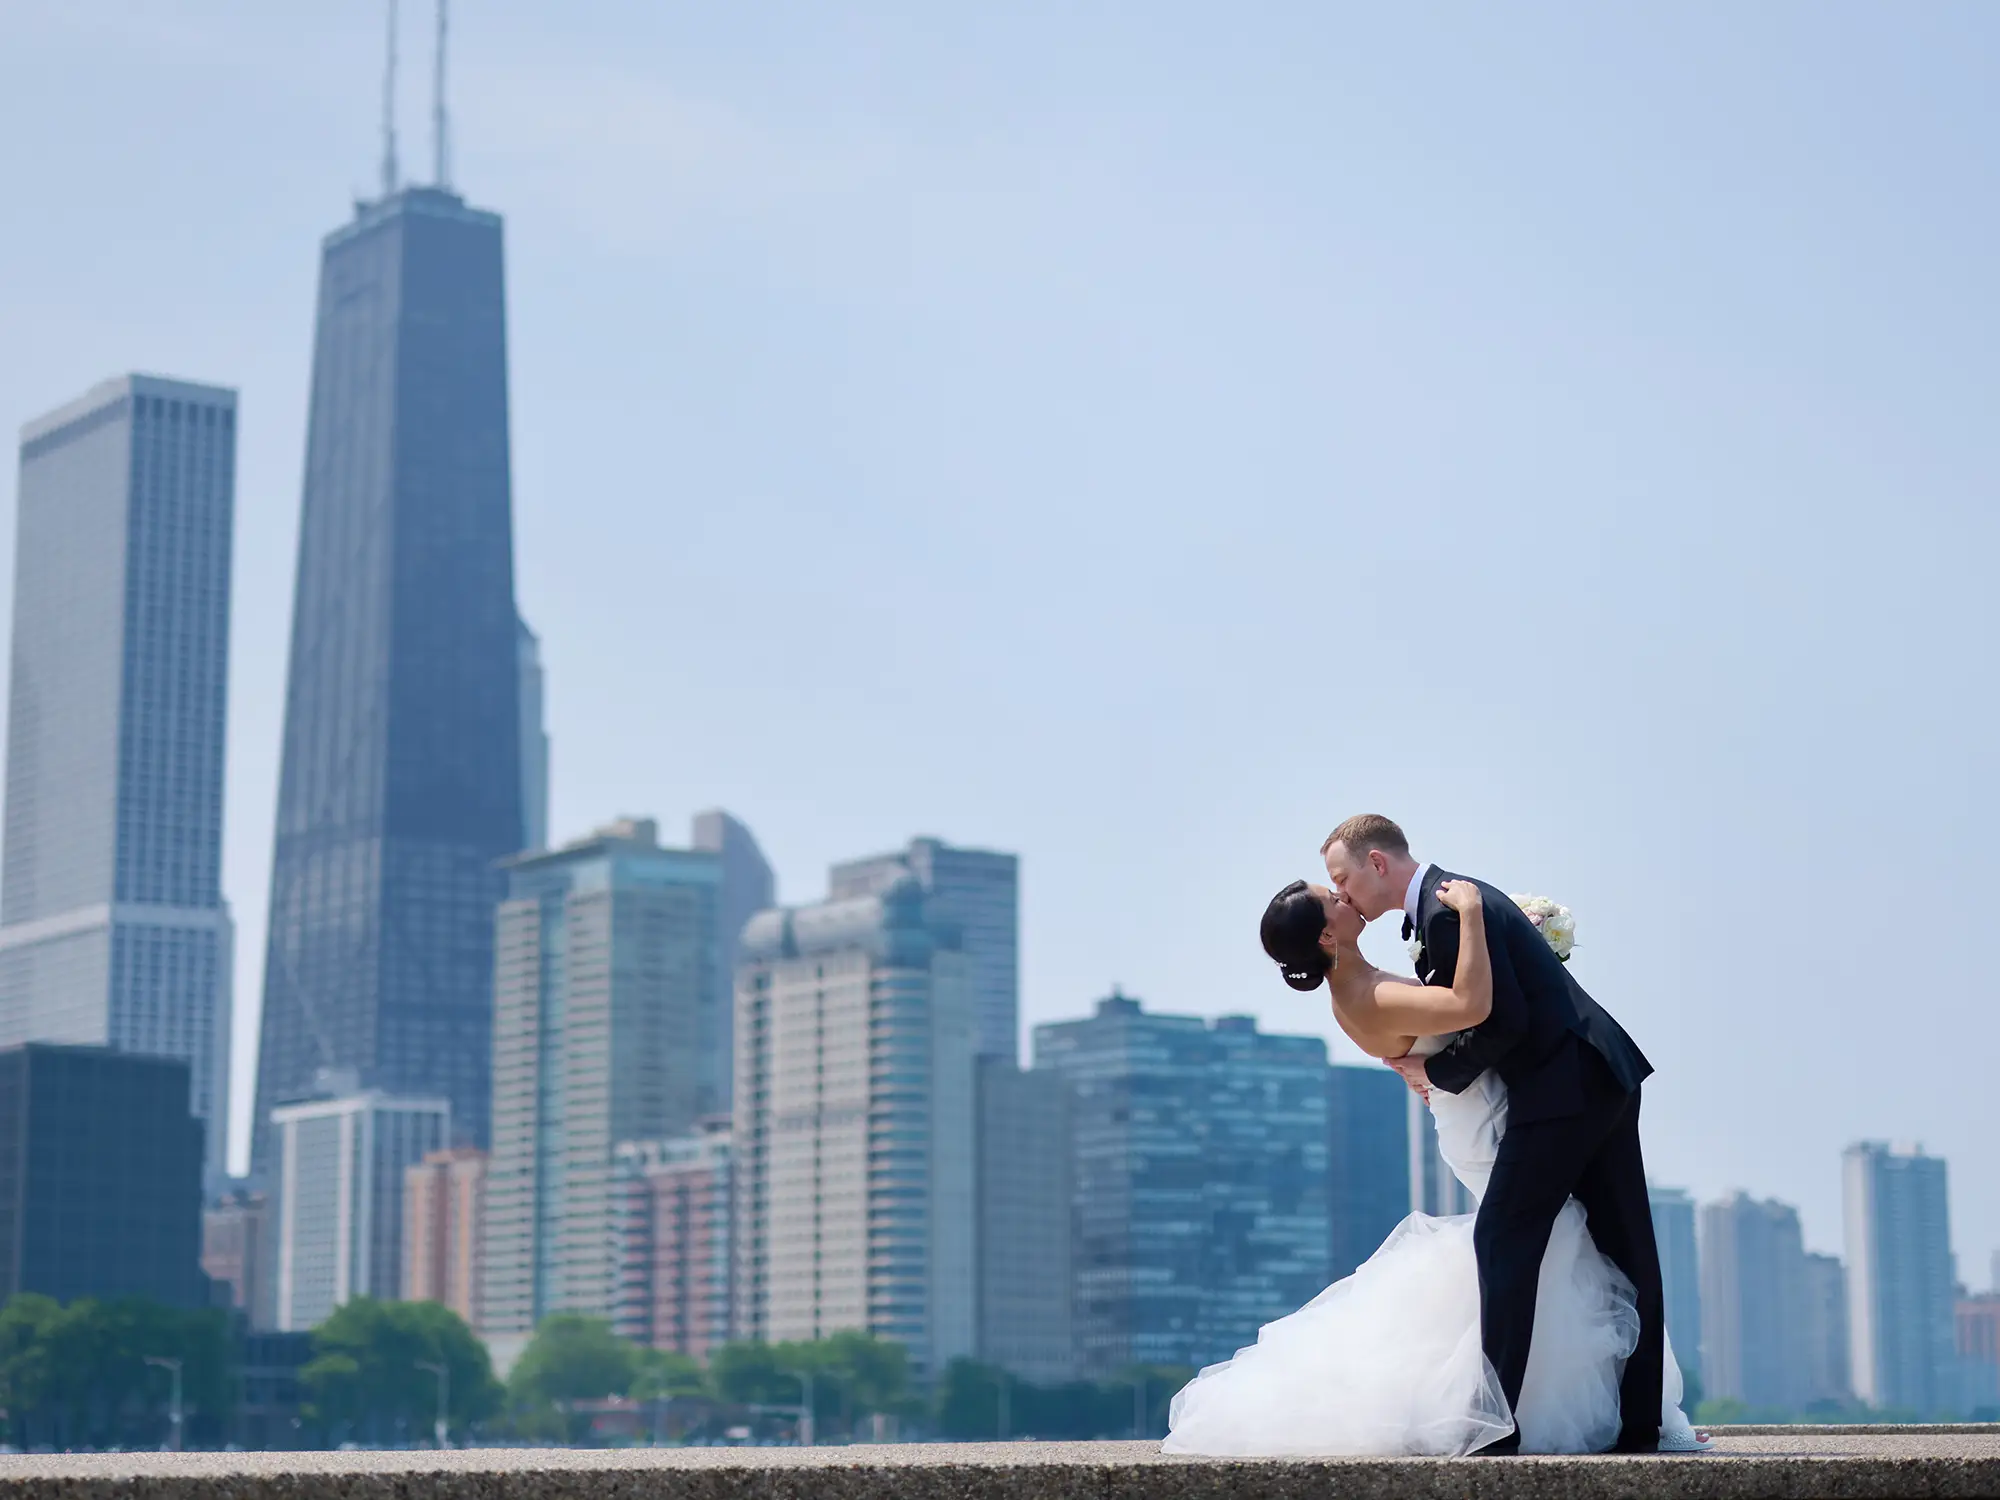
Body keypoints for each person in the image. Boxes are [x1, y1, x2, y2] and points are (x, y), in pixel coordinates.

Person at [1161, 817, 1708, 1456]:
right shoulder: (1428, 930)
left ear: (1378, 863)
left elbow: (1493, 1013)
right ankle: (1591, 1421)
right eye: (1332, 892)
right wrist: (1478, 924)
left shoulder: (1439, 914)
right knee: (1607, 1249)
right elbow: (1478, 1010)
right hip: (1576, 1080)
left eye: (1341, 880)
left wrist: (1437, 1057)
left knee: (1518, 1243)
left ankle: (1496, 1423)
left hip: (1563, 1088)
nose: (1342, 894)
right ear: (1323, 935)